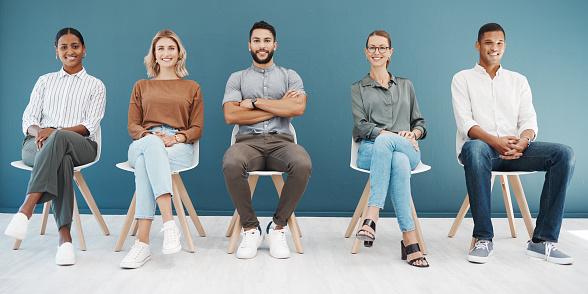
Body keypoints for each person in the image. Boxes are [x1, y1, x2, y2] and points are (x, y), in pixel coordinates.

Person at [452, 23, 575, 264]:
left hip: (516, 150)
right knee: (474, 148)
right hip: (482, 151)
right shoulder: (462, 79)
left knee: (563, 153)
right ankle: (483, 239)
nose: (494, 48)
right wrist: (495, 142)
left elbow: (529, 119)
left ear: (504, 47)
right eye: (488, 42)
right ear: (478, 45)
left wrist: (524, 141)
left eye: (499, 43)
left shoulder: (518, 80)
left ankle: (542, 242)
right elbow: (465, 122)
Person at [4, 28, 106, 266]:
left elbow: (90, 125)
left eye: (75, 46)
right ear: (56, 51)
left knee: (60, 139)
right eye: (64, 47)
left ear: (84, 50)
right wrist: (40, 132)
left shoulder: (95, 85)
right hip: (36, 143)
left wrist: (56, 132)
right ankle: (65, 238)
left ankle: (26, 208)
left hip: (82, 144)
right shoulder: (45, 81)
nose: (70, 51)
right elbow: (28, 119)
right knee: (63, 159)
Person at [222, 21, 312, 259]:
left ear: (275, 45)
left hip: (282, 142)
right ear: (249, 45)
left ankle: (278, 227)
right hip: (246, 143)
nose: (262, 46)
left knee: (302, 163)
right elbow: (231, 115)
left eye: (266, 41)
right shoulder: (237, 78)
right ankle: (251, 229)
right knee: (231, 162)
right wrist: (280, 106)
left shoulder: (290, 76)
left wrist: (253, 103)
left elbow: (298, 107)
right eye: (257, 41)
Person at [119, 30, 203, 269]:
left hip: (178, 146)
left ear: (179, 54)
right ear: (154, 55)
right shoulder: (141, 85)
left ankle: (142, 244)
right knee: (150, 151)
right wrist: (151, 137)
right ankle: (169, 223)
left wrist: (176, 137)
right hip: (144, 142)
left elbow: (196, 128)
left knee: (146, 165)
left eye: (171, 48)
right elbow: (133, 125)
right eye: (161, 49)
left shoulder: (192, 87)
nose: (166, 53)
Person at [351, 30, 429, 267]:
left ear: (390, 53)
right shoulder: (358, 88)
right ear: (366, 53)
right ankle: (409, 239)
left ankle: (371, 217)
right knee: (397, 160)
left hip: (408, 147)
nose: (377, 52)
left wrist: (412, 134)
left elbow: (420, 124)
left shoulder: (406, 85)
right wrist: (393, 135)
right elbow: (362, 127)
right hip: (370, 151)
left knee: (394, 149)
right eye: (372, 48)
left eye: (382, 48)